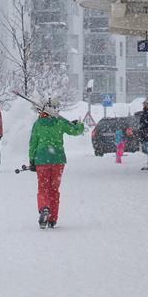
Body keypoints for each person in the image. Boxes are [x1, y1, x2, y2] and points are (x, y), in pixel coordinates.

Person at [28, 97, 84, 228]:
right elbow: (75, 131)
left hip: (42, 160)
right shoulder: (59, 122)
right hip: (57, 160)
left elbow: (33, 144)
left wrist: (32, 160)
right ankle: (52, 218)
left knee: (43, 188)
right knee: (54, 189)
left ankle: (44, 208)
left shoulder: (37, 124)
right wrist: (79, 125)